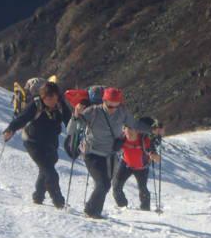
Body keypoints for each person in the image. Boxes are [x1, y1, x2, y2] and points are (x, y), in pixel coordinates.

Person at [69, 87, 164, 219]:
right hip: (92, 153)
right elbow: (71, 130)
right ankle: (91, 211)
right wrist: (75, 115)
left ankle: (94, 211)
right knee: (103, 183)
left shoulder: (122, 113)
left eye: (116, 106)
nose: (112, 109)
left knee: (106, 184)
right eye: (109, 106)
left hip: (110, 154)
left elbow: (135, 125)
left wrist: (151, 130)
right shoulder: (93, 112)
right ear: (103, 101)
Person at [2, 81, 71, 208]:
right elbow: (22, 118)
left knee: (46, 169)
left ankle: (38, 196)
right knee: (50, 172)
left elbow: (70, 122)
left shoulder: (61, 106)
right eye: (47, 98)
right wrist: (10, 129)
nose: (51, 101)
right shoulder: (36, 104)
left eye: (53, 98)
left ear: (57, 96)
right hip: (33, 142)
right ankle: (59, 201)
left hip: (51, 142)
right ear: (43, 97)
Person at [112, 125, 161, 210]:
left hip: (142, 168)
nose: (129, 134)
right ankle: (122, 207)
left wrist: (154, 155)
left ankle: (145, 209)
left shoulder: (144, 140)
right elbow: (112, 147)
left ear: (137, 131)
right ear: (124, 130)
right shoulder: (121, 138)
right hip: (126, 165)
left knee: (143, 189)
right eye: (127, 131)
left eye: (132, 131)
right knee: (116, 187)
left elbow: (152, 150)